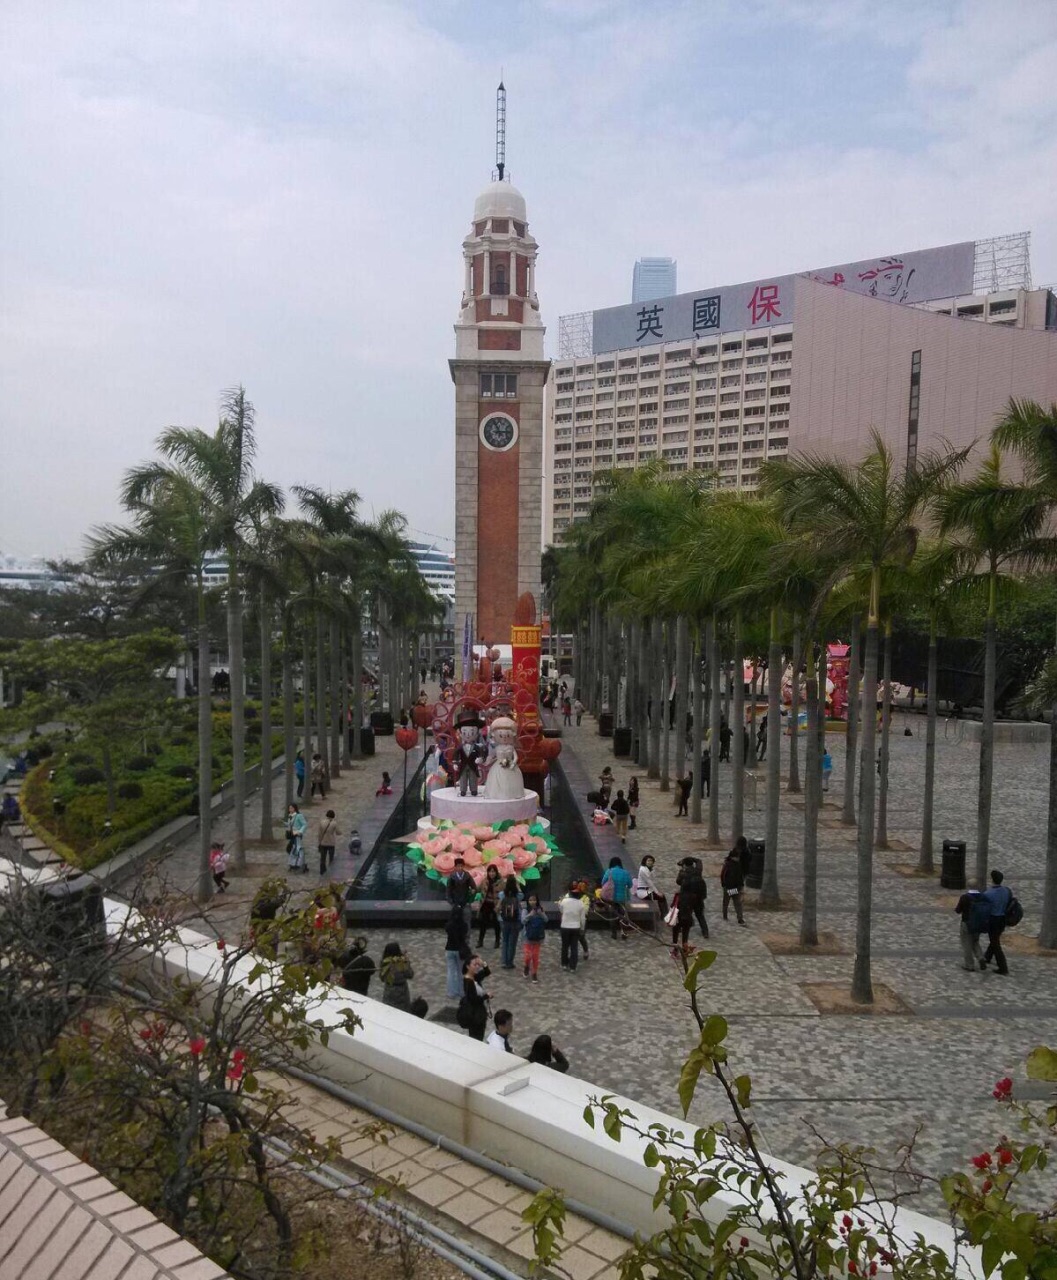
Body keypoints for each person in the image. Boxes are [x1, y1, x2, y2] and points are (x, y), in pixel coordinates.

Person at [981, 869, 1013, 976]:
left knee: (995, 943)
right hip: (1003, 919)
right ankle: (988, 956)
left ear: (992, 880)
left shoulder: (988, 894)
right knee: (995, 939)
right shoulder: (1006, 891)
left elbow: (984, 907)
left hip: (993, 919)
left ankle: (1003, 967)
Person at [674, 856, 709, 945]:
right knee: (700, 915)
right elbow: (699, 860)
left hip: (686, 898)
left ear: (685, 864)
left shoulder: (683, 872)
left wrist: (681, 868)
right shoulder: (698, 870)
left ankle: (681, 929)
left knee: (684, 914)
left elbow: (678, 882)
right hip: (698, 897)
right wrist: (690, 858)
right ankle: (705, 932)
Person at [955, 889, 988, 973]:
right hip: (979, 924)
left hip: (967, 924)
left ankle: (969, 965)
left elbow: (958, 910)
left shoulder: (965, 897)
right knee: (975, 941)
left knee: (967, 945)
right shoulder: (982, 896)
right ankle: (981, 957)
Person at [601, 856, 633, 939]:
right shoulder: (625, 872)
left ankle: (614, 934)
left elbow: (603, 882)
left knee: (612, 915)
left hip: (611, 898)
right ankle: (624, 932)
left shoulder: (609, 871)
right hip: (622, 898)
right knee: (623, 915)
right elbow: (630, 885)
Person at [461, 954, 491, 1040]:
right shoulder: (468, 982)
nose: (477, 967)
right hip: (475, 1016)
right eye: (474, 965)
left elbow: (487, 972)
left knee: (478, 1036)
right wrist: (487, 996)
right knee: (476, 1037)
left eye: (478, 965)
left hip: (478, 1014)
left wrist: (483, 963)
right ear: (467, 966)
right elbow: (474, 1000)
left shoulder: (474, 977)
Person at [559, 882, 587, 971]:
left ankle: (564, 964)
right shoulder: (581, 903)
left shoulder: (564, 901)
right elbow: (583, 919)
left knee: (565, 946)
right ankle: (573, 966)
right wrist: (582, 929)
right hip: (576, 927)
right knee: (574, 947)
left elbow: (561, 910)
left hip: (565, 926)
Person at [379, 942, 415, 1012]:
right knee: (403, 1012)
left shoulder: (384, 963)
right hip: (402, 992)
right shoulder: (402, 962)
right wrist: (407, 963)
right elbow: (410, 975)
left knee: (388, 1011)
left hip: (389, 990)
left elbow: (382, 978)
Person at [445, 907, 471, 998]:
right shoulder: (464, 925)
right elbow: (465, 935)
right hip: (461, 949)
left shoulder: (448, 925)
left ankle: (451, 992)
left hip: (450, 949)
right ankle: (462, 992)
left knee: (451, 972)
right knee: (461, 972)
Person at [498, 876, 523, 969]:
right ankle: (510, 962)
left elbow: (499, 900)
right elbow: (521, 895)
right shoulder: (518, 895)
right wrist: (518, 886)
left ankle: (504, 961)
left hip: (503, 920)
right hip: (515, 920)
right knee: (512, 942)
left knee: (505, 941)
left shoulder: (502, 894)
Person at [522, 893, 547, 982]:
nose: (532, 902)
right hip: (527, 936)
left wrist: (541, 914)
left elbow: (546, 920)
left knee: (535, 956)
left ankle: (534, 973)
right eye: (530, 900)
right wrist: (530, 915)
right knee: (528, 955)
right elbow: (523, 921)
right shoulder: (525, 910)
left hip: (538, 936)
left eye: (534, 900)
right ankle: (526, 966)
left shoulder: (540, 909)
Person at [476, 863, 502, 949]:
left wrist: (499, 905)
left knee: (496, 923)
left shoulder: (500, 882)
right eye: (490, 872)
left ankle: (497, 941)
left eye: (493, 872)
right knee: (483, 923)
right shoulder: (485, 881)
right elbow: (479, 889)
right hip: (486, 903)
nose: (492, 874)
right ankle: (480, 941)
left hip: (495, 904)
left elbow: (503, 894)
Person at [720, 845, 746, 925]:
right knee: (726, 902)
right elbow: (723, 875)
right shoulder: (728, 865)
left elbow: (740, 876)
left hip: (736, 887)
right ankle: (725, 915)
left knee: (737, 903)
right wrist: (724, 884)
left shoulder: (738, 864)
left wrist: (741, 886)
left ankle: (740, 918)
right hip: (728, 888)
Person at [447, 856, 475, 927]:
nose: (460, 868)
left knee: (467, 919)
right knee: (454, 919)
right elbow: (449, 889)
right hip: (455, 901)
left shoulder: (467, 875)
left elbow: (473, 886)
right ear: (455, 867)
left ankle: (466, 936)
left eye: (461, 866)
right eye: (458, 866)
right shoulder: (452, 876)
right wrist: (450, 900)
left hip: (465, 900)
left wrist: (472, 891)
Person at [285, 803, 308, 872]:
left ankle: (297, 863)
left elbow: (304, 824)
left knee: (295, 849)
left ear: (294, 808)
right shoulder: (290, 816)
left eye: (291, 808)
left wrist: (300, 831)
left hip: (297, 835)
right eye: (289, 808)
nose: (290, 809)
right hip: (292, 834)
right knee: (291, 848)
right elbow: (290, 824)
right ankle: (294, 862)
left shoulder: (299, 816)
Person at [317, 809, 339, 876]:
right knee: (331, 858)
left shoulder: (321, 822)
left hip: (323, 843)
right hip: (331, 843)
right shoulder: (334, 823)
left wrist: (319, 842)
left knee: (323, 858)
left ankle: (322, 871)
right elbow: (338, 832)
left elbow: (320, 834)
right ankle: (331, 871)